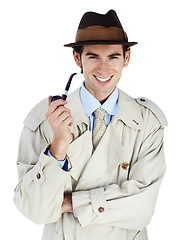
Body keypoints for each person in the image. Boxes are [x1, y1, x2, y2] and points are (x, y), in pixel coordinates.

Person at [14, 10, 168, 240]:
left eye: (113, 57)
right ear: (78, 58)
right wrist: (58, 147)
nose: (103, 69)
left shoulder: (147, 122)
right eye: (93, 57)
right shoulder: (44, 119)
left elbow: (143, 207)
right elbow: (35, 210)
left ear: (127, 58)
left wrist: (70, 203)